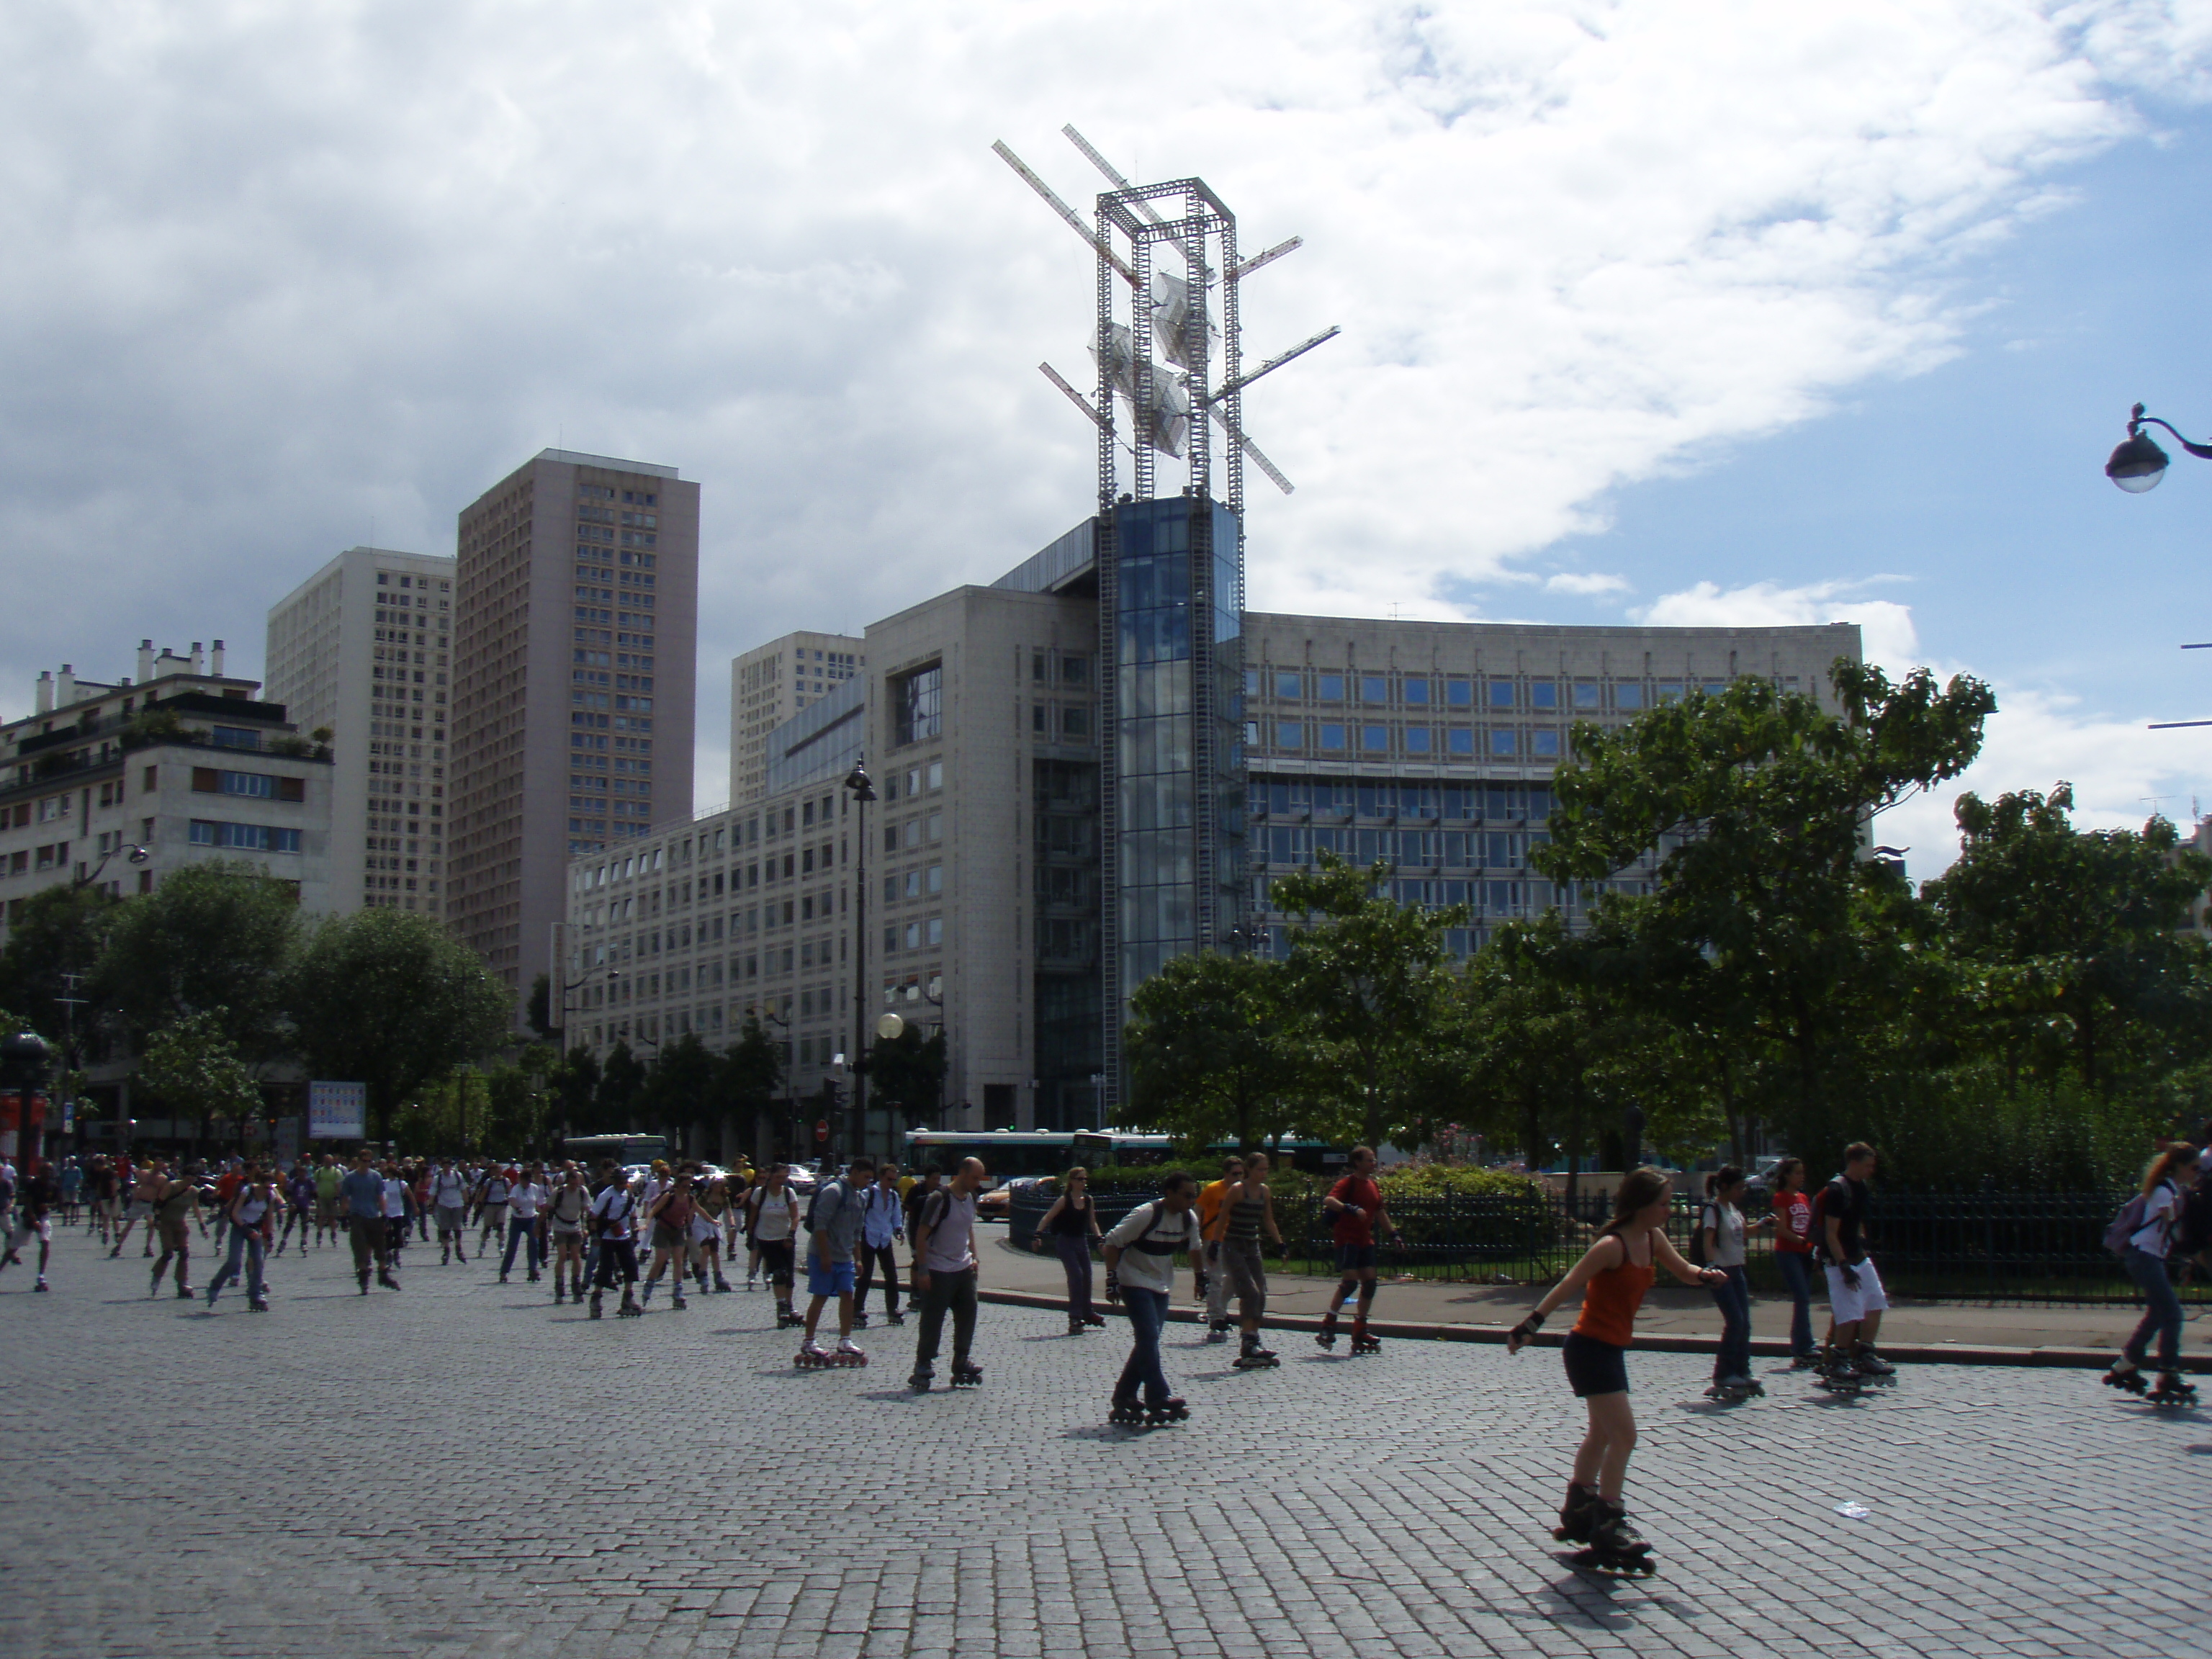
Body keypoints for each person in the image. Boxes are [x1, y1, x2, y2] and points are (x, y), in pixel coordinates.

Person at [1507, 1167, 1727, 1573]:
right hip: (1589, 1349)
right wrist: (1530, 1325)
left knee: (1602, 1432)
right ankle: (1608, 1520)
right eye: (1664, 1202)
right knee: (1624, 1435)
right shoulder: (1612, 1246)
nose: (1669, 1209)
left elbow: (1682, 1270)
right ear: (1643, 1204)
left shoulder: (1653, 1238)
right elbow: (1569, 1283)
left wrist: (1705, 1275)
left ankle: (1580, 1505)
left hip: (1610, 1349)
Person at [1102, 1172, 1205, 1426]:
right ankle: (1158, 1395)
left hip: (1161, 1283)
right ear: (1169, 1193)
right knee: (1148, 1336)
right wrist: (1112, 1279)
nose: (1191, 1201)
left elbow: (1195, 1248)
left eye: (1195, 1196)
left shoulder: (1188, 1219)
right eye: (1186, 1195)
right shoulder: (1146, 1214)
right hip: (1133, 1279)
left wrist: (1200, 1278)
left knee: (1149, 1340)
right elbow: (1111, 1242)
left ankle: (1124, 1396)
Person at [2104, 1141, 2201, 1405]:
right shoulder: (2164, 1192)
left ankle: (2126, 1364)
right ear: (2179, 1166)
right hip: (2144, 1256)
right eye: (2194, 1168)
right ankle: (2169, 1372)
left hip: (2148, 1257)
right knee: (2173, 1313)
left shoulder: (2174, 1190)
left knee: (2157, 1314)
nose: (2197, 1173)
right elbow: (2171, 1225)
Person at [1816, 1143, 1892, 1390]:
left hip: (1858, 1256)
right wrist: (1844, 1265)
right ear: (1855, 1162)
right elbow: (1830, 1233)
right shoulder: (1838, 1189)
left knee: (1876, 1302)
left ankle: (1866, 1355)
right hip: (1839, 1259)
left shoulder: (1860, 1187)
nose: (1872, 1170)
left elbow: (1855, 1221)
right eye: (1868, 1165)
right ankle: (1838, 1361)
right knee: (1849, 1313)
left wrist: (1862, 1244)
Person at [908, 1157, 986, 1392]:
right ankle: (923, 1362)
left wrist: (974, 1256)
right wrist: (922, 1270)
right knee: (933, 1318)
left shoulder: (971, 1198)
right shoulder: (939, 1199)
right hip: (938, 1268)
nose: (977, 1183)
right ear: (961, 1173)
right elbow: (921, 1236)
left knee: (968, 1312)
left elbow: (968, 1228)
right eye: (974, 1178)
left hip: (963, 1267)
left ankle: (961, 1358)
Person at [1318, 1146, 1401, 1354]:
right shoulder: (1348, 1183)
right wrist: (1350, 1208)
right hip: (1347, 1240)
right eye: (1369, 1160)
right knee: (1349, 1283)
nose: (1373, 1163)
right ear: (1358, 1163)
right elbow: (1329, 1200)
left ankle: (1360, 1328)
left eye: (1374, 1160)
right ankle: (1328, 1325)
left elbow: (1380, 1212)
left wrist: (1394, 1235)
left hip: (1365, 1241)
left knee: (1370, 1284)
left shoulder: (1372, 1185)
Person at [1698, 1166, 1767, 1402]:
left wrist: (1761, 1225)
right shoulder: (1713, 1209)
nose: (1742, 1191)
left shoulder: (1733, 1209)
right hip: (1721, 1271)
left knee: (1745, 1322)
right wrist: (1710, 1266)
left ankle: (1742, 1370)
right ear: (1725, 1187)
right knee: (1735, 1321)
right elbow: (1708, 1239)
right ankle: (1724, 1373)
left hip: (1737, 1270)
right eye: (1739, 1187)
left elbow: (1743, 1233)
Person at [796, 1156, 872, 1367]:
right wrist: (825, 1256)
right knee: (820, 1296)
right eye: (865, 1177)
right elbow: (820, 1225)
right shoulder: (834, 1192)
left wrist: (858, 1259)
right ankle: (809, 1341)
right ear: (854, 1172)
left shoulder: (860, 1198)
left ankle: (845, 1340)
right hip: (823, 1254)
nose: (868, 1182)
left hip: (845, 1255)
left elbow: (857, 1232)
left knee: (848, 1295)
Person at [1216, 1154, 1284, 1370]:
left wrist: (1280, 1244)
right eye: (1260, 1170)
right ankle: (1247, 1342)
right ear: (1249, 1170)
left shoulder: (1264, 1191)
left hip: (1252, 1245)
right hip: (1233, 1245)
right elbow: (1223, 1217)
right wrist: (1215, 1245)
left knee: (1262, 1293)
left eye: (1266, 1170)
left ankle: (1254, 1339)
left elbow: (1268, 1219)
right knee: (1250, 1292)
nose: (1263, 1174)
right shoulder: (1237, 1190)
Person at [1033, 1166, 1105, 1334]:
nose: (1084, 1182)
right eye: (1080, 1179)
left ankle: (1087, 1312)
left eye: (1085, 1179)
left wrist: (1100, 1238)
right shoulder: (1064, 1200)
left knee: (1087, 1276)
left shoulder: (1088, 1200)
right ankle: (1075, 1315)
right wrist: (1037, 1235)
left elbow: (1092, 1222)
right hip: (1066, 1242)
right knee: (1076, 1276)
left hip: (1081, 1242)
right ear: (1072, 1181)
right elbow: (1048, 1217)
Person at [1767, 1158, 1819, 1367]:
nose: (1801, 1177)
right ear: (1787, 1175)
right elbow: (1782, 1230)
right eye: (1797, 1173)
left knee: (1805, 1298)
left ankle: (1804, 1345)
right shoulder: (1781, 1198)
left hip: (1804, 1253)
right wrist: (1799, 1240)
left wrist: (1811, 1244)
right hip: (1789, 1253)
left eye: (1802, 1173)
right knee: (1802, 1297)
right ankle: (1803, 1346)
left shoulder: (1804, 1198)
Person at [205, 1165, 278, 1312]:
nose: (268, 1190)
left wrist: (268, 1236)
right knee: (233, 1261)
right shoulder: (248, 1191)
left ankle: (255, 1295)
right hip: (240, 1227)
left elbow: (269, 1217)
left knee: (258, 1261)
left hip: (255, 1229)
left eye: (270, 1187)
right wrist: (246, 1229)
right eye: (265, 1187)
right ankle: (214, 1287)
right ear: (259, 1185)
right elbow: (234, 1213)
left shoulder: (270, 1196)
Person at [853, 1162, 906, 1328]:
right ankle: (857, 1310)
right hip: (869, 1235)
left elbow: (896, 1216)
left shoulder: (893, 1196)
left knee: (891, 1275)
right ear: (881, 1177)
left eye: (894, 1180)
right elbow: (859, 1214)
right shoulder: (869, 1194)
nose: (891, 1182)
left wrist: (898, 1230)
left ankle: (892, 1309)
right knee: (865, 1275)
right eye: (889, 1179)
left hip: (884, 1238)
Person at [747, 1164, 801, 1327]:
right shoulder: (760, 1193)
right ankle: (781, 1306)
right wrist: (750, 1236)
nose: (781, 1181)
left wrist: (791, 1234)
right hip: (766, 1238)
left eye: (784, 1177)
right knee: (779, 1272)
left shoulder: (788, 1193)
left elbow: (795, 1216)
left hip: (785, 1238)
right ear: (770, 1176)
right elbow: (753, 1215)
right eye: (778, 1177)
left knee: (789, 1276)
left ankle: (789, 1307)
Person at [588, 1164, 644, 1318]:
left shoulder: (629, 1195)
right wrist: (595, 1236)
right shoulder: (606, 1195)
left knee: (631, 1267)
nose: (622, 1184)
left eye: (624, 1180)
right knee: (605, 1269)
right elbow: (593, 1216)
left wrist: (635, 1232)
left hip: (624, 1236)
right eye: (619, 1181)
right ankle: (596, 1299)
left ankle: (628, 1298)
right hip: (607, 1237)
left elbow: (632, 1215)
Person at [1195, 1156, 1241, 1338]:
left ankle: (1220, 1309)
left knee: (1236, 1278)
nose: (1238, 1177)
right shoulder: (1213, 1190)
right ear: (1225, 1174)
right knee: (1215, 1279)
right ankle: (1215, 1317)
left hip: (1235, 1240)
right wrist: (1195, 1234)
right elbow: (1197, 1211)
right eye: (1234, 1174)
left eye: (1240, 1173)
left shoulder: (1242, 1191)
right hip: (1213, 1239)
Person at [340, 1150, 397, 1294]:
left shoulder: (376, 1176)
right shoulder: (350, 1178)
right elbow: (345, 1198)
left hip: (373, 1215)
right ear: (358, 1161)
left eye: (368, 1161)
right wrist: (344, 1216)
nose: (366, 1164)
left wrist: (385, 1215)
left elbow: (380, 1197)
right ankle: (363, 1275)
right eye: (363, 1161)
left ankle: (383, 1274)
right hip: (357, 1215)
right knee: (359, 1246)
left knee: (380, 1246)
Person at [639, 1169, 697, 1310]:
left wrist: (713, 1221)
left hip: (678, 1230)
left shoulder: (690, 1198)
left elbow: (699, 1210)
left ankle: (678, 1292)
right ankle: (648, 1287)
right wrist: (646, 1223)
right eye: (685, 1186)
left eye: (690, 1187)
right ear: (678, 1185)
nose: (687, 1189)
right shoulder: (668, 1196)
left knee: (678, 1260)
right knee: (661, 1260)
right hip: (663, 1229)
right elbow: (653, 1211)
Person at [148, 1164, 206, 1300]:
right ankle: (157, 1277)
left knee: (184, 1253)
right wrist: (157, 1219)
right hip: (166, 1222)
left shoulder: (193, 1192)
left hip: (180, 1223)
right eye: (189, 1177)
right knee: (168, 1253)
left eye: (193, 1177)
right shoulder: (172, 1186)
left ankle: (182, 1283)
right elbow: (158, 1203)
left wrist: (202, 1225)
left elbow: (196, 1209)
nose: (191, 1180)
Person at [2, 1159, 60, 1292]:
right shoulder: (33, 1184)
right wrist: (34, 1221)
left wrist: (49, 1206)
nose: (49, 1173)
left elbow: (58, 1203)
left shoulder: (54, 1186)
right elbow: (28, 1205)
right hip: (27, 1218)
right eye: (46, 1170)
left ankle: (41, 1276)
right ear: (41, 1172)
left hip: (44, 1216)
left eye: (51, 1170)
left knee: (45, 1242)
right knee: (12, 1248)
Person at [545, 1163, 591, 1303]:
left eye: (576, 1183)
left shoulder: (583, 1192)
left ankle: (576, 1284)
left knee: (576, 1256)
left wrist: (587, 1227)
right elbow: (548, 1209)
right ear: (567, 1182)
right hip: (560, 1226)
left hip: (575, 1226)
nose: (574, 1186)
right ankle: (559, 1284)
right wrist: (543, 1227)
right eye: (572, 1184)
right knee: (563, 1255)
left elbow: (587, 1211)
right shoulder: (559, 1192)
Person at [501, 1162, 548, 1284]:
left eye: (528, 1180)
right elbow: (512, 1199)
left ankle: (533, 1270)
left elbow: (536, 1203)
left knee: (534, 1242)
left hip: (531, 1218)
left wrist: (542, 1214)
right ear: (520, 1179)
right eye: (524, 1180)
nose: (526, 1183)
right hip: (517, 1219)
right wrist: (517, 1208)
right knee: (512, 1246)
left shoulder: (534, 1188)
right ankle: (504, 1272)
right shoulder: (516, 1188)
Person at [693, 1174, 735, 1293]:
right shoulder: (705, 1196)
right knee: (705, 1250)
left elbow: (729, 1212)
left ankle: (718, 1276)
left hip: (714, 1224)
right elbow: (695, 1208)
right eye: (716, 1185)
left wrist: (732, 1225)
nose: (718, 1188)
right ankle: (703, 1274)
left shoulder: (724, 1198)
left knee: (715, 1252)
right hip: (701, 1223)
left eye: (720, 1186)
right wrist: (688, 1223)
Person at [428, 1159, 470, 1264]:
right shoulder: (438, 1178)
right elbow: (433, 1192)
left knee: (457, 1227)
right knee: (445, 1228)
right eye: (445, 1167)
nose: (447, 1169)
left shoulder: (457, 1176)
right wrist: (430, 1204)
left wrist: (466, 1203)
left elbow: (463, 1189)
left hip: (457, 1204)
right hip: (444, 1204)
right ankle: (446, 1249)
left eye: (448, 1166)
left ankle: (458, 1247)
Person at [313, 1154, 344, 1249]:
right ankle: (319, 1233)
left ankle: (333, 1233)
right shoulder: (319, 1172)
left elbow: (338, 1185)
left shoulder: (336, 1172)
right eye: (327, 1161)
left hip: (332, 1197)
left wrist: (337, 1196)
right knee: (322, 1216)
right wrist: (316, 1197)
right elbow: (315, 1184)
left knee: (332, 1217)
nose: (328, 1163)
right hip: (322, 1197)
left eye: (330, 1161)